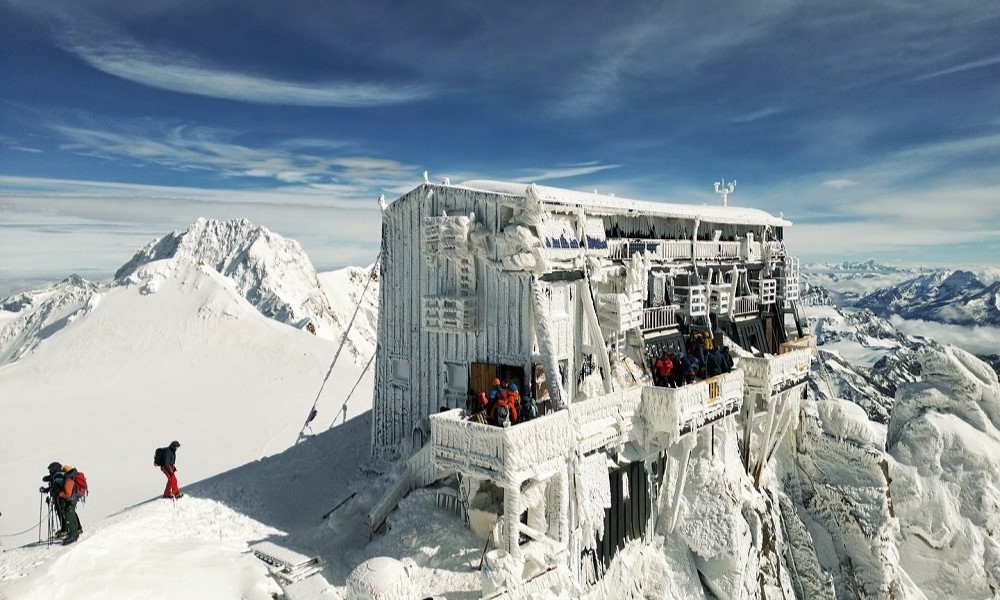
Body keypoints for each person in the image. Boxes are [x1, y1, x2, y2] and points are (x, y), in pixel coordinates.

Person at [39, 462, 67, 538]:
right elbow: (52, 487)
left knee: (62, 513)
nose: (50, 471)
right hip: (57, 498)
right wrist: (45, 490)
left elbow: (55, 487)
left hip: (60, 498)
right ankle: (64, 529)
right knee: (60, 513)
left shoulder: (58, 476)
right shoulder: (56, 476)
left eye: (51, 469)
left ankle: (65, 529)